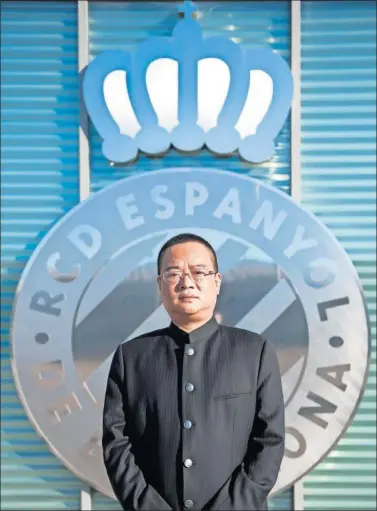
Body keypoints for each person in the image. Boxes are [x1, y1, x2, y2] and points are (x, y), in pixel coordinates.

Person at [102, 233, 285, 511]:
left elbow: (269, 441)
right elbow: (117, 445)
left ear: (217, 282)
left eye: (199, 271)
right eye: (174, 273)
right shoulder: (131, 357)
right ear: (160, 285)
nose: (187, 282)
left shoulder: (254, 351)